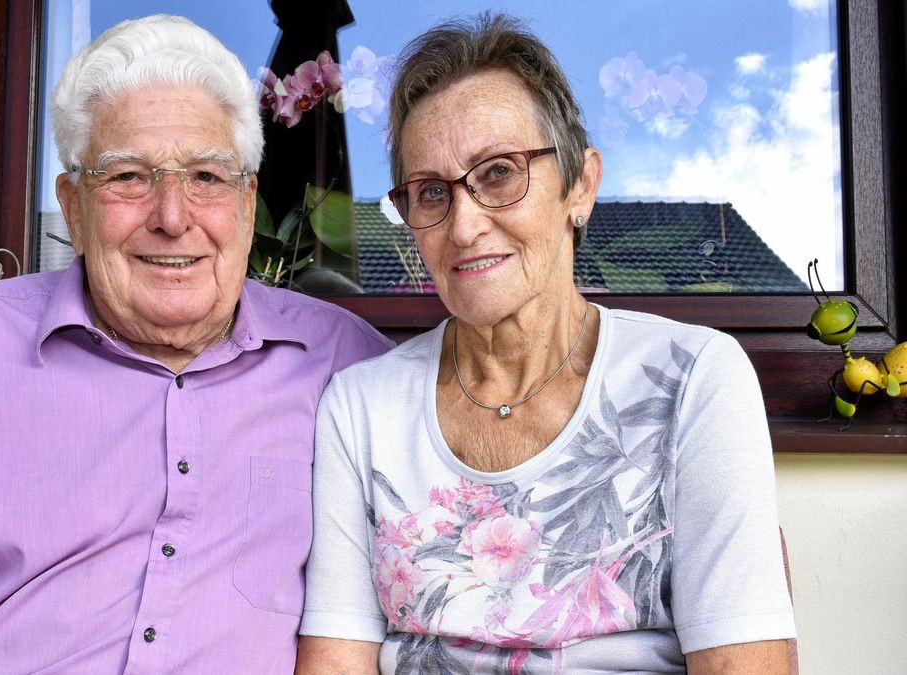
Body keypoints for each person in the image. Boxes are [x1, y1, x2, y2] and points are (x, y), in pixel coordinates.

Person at [0, 15, 391, 674]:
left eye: (206, 176)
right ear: (73, 206)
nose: (172, 216)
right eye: (129, 177)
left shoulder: (347, 366)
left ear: (249, 204)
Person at [296, 13, 795, 675]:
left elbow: (745, 663)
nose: (466, 223)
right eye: (431, 193)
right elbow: (337, 662)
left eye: (499, 173)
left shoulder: (692, 379)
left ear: (580, 185)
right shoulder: (361, 407)